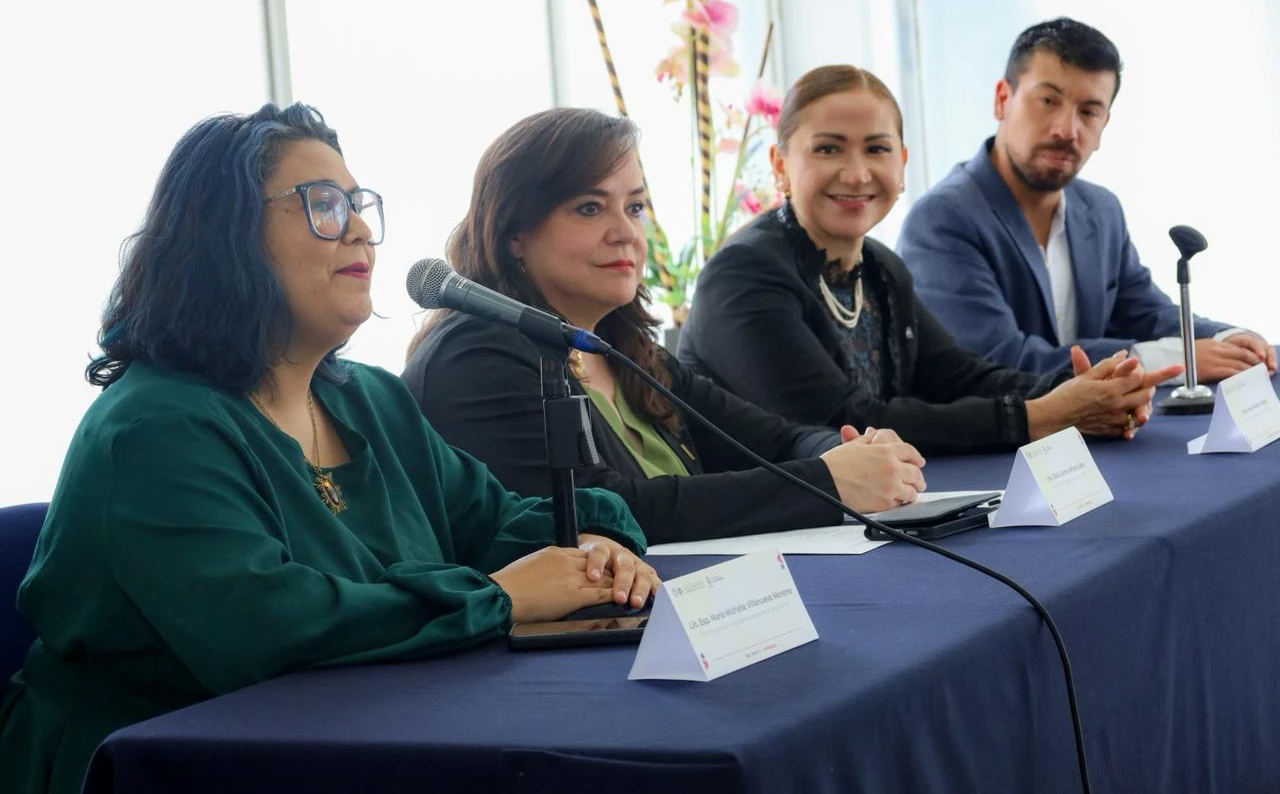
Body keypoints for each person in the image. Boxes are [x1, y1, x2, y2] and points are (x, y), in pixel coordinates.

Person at [0, 104, 655, 794]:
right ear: (224, 234)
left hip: (364, 731)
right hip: (164, 763)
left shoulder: (370, 398)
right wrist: (498, 598)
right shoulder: (152, 430)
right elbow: (269, 629)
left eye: (359, 204)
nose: (361, 229)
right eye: (323, 205)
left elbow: (494, 522)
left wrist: (590, 541)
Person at [404, 108, 928, 545]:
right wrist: (828, 482)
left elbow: (776, 438)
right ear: (514, 232)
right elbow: (599, 511)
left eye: (634, 207)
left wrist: (848, 454)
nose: (626, 233)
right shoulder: (473, 357)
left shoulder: (620, 348)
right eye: (590, 208)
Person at [677, 64, 1180, 453]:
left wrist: (1081, 388)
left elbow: (959, 377)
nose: (856, 174)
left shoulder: (879, 267)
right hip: (761, 540)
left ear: (902, 162)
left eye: (877, 149)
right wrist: (1044, 415)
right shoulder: (742, 275)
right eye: (828, 150)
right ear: (780, 164)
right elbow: (847, 423)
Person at [896, 17, 1275, 378]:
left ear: (1104, 124)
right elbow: (998, 360)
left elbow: (1145, 313)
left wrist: (1225, 338)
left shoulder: (1100, 209)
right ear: (1002, 99)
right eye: (1048, 101)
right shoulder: (941, 220)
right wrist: (1176, 359)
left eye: (1089, 111)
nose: (1067, 130)